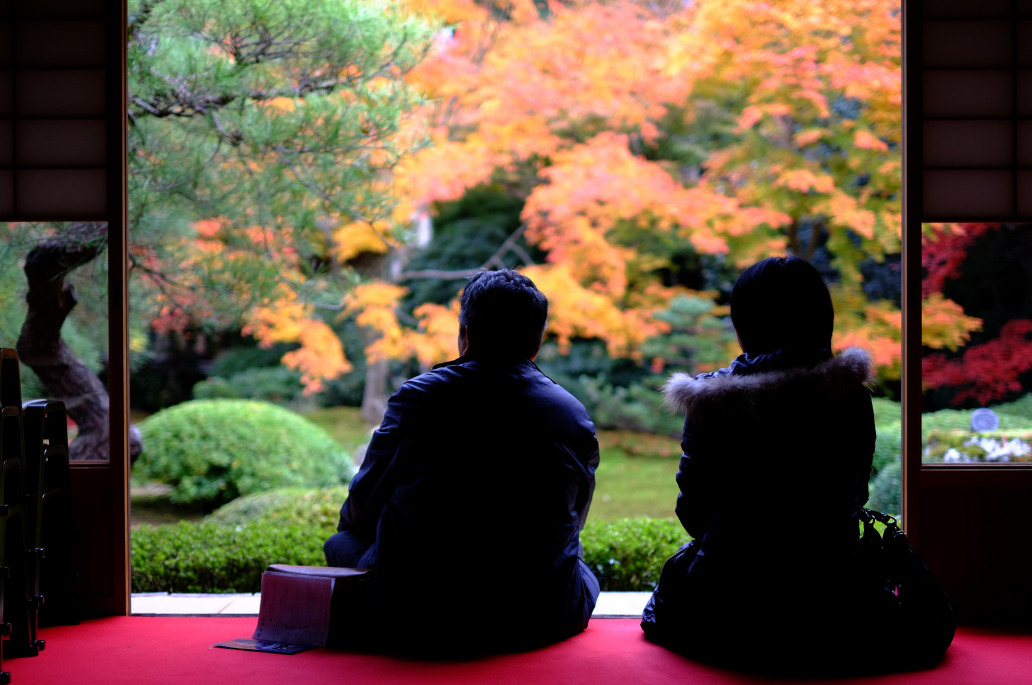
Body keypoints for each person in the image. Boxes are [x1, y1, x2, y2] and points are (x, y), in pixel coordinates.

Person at [640, 256, 954, 674]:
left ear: (744, 322)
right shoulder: (850, 397)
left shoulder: (710, 401)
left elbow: (692, 511)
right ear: (821, 318)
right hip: (832, 600)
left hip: (724, 603)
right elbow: (855, 496)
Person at [324, 268, 600, 655]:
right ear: (536, 345)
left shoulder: (420, 398)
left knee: (341, 543)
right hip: (541, 614)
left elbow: (363, 504)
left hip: (424, 613)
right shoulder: (572, 415)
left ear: (465, 336)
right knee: (578, 566)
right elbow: (575, 517)